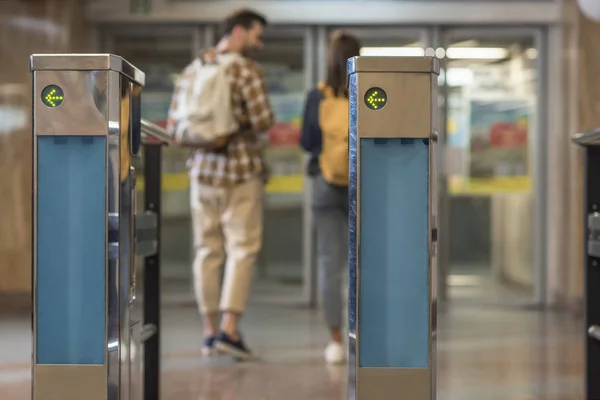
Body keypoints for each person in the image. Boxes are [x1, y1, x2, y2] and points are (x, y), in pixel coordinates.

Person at [167, 9, 274, 360]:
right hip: (239, 171)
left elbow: (173, 126)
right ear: (240, 32)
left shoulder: (194, 68)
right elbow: (263, 120)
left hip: (201, 173)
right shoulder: (245, 69)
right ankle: (229, 329)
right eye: (257, 35)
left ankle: (209, 333)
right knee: (241, 248)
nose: (260, 43)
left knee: (206, 251)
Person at [300, 31, 361, 365]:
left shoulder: (317, 96)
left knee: (330, 264)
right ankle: (362, 333)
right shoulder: (367, 93)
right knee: (363, 262)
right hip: (361, 186)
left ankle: (336, 340)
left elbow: (307, 141)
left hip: (325, 185)